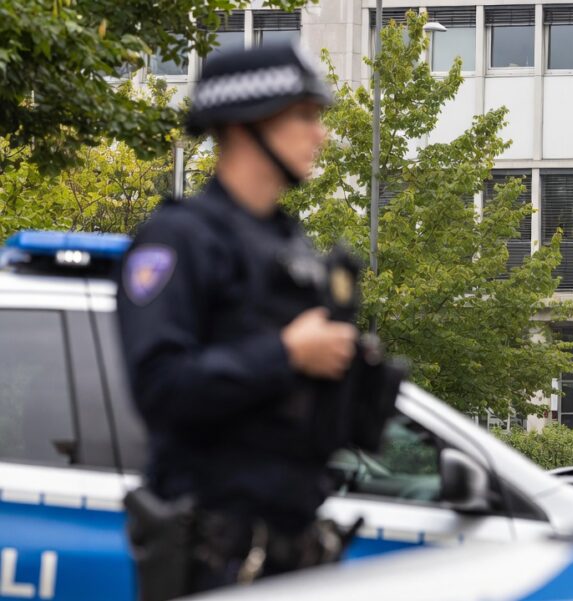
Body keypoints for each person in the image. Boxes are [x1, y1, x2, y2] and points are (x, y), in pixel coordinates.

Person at [117, 42, 389, 599]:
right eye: (304, 116)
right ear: (246, 125)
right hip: (216, 561)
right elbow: (160, 387)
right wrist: (287, 354)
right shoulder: (179, 239)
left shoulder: (291, 243)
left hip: (295, 552)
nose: (321, 135)